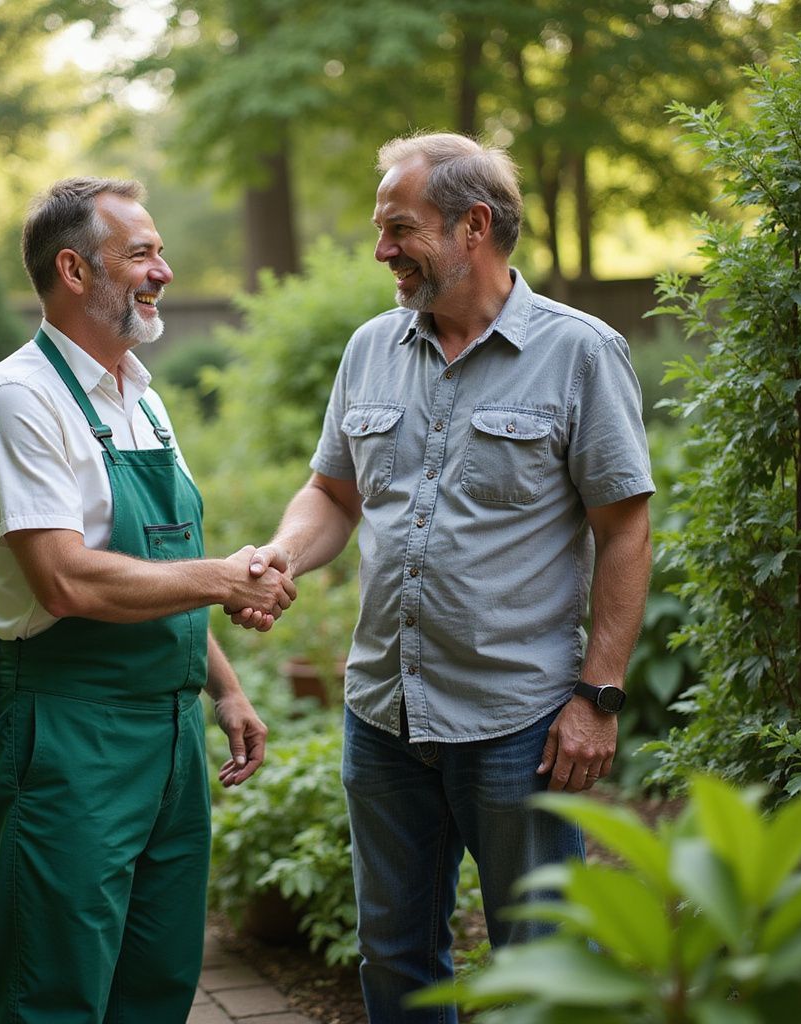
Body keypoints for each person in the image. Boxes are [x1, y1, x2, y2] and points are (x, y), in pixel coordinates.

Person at [229, 133, 654, 1022]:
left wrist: (599, 695)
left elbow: (623, 530)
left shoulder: (581, 354)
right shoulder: (370, 350)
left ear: (475, 226)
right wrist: (281, 555)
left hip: (519, 723)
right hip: (383, 713)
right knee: (395, 959)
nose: (381, 249)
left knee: (537, 966)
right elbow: (332, 494)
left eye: (399, 228)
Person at [0, 176, 296, 1024]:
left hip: (169, 736)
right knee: (52, 987)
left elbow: (154, 560)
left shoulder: (139, 393)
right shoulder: (19, 400)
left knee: (156, 981)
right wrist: (223, 578)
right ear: (73, 270)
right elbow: (65, 578)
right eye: (141, 253)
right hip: (67, 733)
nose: (164, 271)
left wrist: (225, 687)